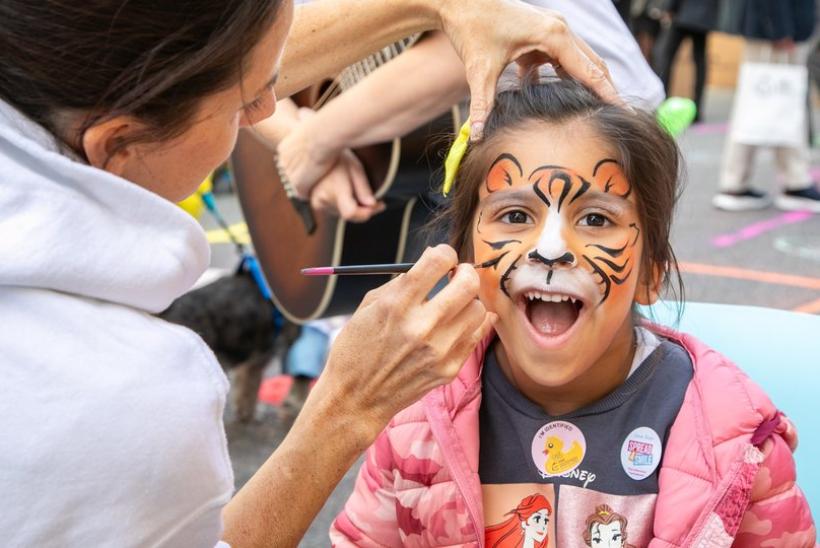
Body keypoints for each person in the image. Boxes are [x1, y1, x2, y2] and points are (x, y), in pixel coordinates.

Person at [0, 1, 627, 545]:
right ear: (119, 144)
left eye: (597, 220)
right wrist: (350, 406)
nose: (269, 111)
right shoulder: (111, 401)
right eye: (244, 105)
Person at [329, 81, 816, 546]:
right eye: (515, 216)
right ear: (463, 262)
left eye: (596, 219)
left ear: (651, 273)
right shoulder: (416, 419)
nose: (551, 249)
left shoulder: (737, 446)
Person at [263, 0, 664, 223]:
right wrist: (294, 139)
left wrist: (318, 139)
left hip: (579, 126)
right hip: (458, 154)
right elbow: (242, 57)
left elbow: (468, 43)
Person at [714, 0, 820, 212]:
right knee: (766, 102)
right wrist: (778, 29)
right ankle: (788, 180)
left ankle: (741, 181)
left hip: (778, 29)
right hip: (776, 32)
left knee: (770, 102)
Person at [654, 0, 719, 122]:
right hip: (704, 16)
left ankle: (660, 103)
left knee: (664, 55)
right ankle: (697, 109)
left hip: (683, 12)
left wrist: (670, 7)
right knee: (700, 60)